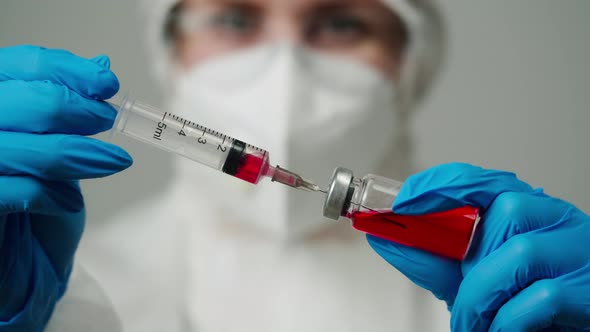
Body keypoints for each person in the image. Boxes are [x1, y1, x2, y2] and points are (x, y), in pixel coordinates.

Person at [1, 1, 589, 332]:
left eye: (341, 22)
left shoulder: (509, 289)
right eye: (233, 18)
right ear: (171, 52)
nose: (285, 71)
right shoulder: (53, 284)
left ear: (411, 64)